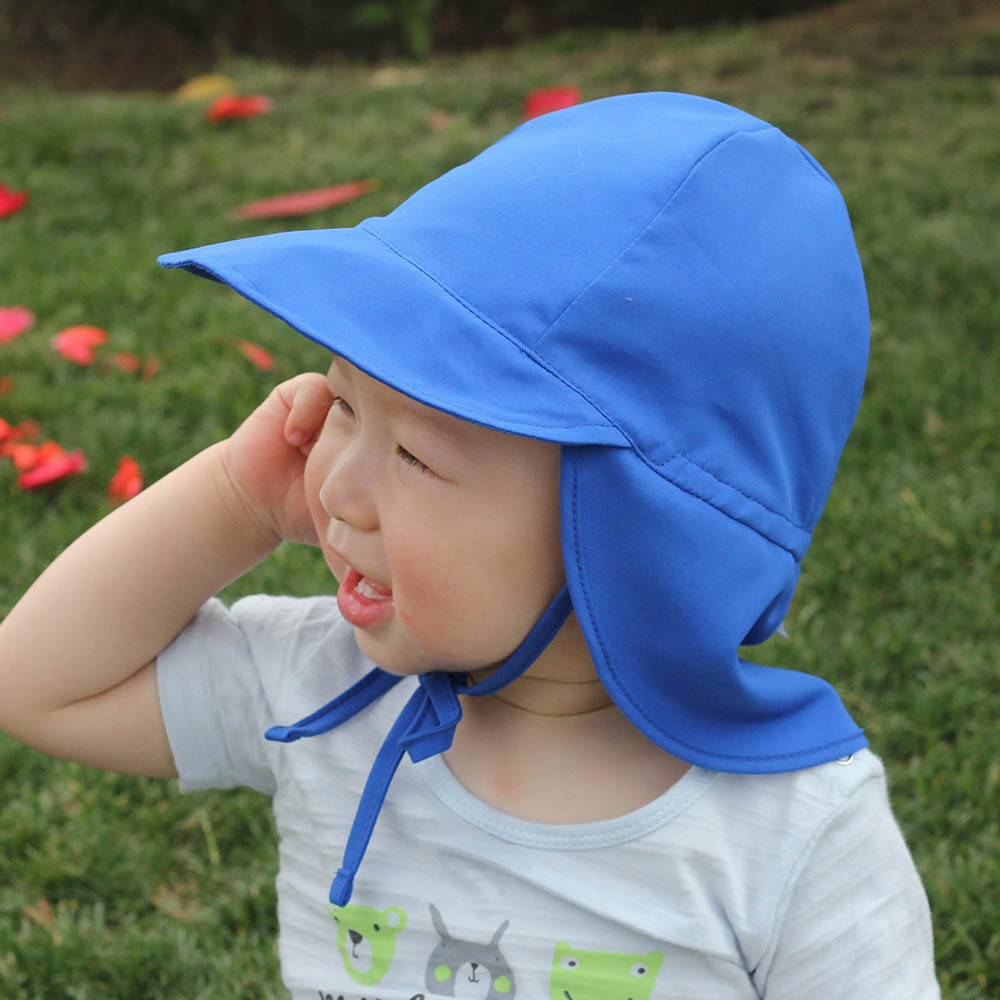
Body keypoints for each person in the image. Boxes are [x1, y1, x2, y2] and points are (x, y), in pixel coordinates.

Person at [0, 92, 939, 998]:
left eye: (412, 452)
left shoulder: (794, 831)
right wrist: (238, 498)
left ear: (627, 529)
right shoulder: (322, 696)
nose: (331, 485)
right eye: (340, 406)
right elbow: (37, 685)